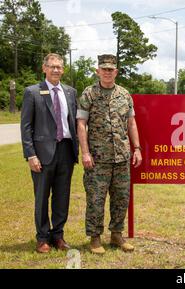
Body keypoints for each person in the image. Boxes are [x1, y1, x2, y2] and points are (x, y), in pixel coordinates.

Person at [76, 54, 142, 254]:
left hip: (121, 157)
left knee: (121, 198)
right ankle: (95, 238)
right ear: (98, 71)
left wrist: (137, 148)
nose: (107, 72)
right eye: (103, 69)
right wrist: (85, 153)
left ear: (116, 72)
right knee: (96, 199)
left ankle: (116, 235)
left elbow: (131, 123)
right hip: (97, 158)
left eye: (110, 69)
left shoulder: (124, 94)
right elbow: (81, 124)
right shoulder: (89, 94)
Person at [21, 53, 78, 253]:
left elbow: (73, 122)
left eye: (59, 67)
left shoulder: (71, 92)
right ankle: (42, 238)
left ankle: (58, 236)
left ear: (63, 70)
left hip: (66, 151)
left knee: (62, 197)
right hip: (42, 154)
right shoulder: (32, 92)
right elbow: (26, 127)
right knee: (42, 197)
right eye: (52, 66)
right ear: (44, 68)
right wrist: (31, 155)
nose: (56, 70)